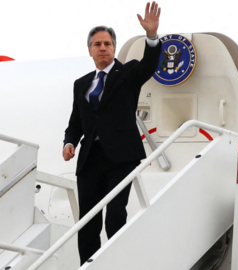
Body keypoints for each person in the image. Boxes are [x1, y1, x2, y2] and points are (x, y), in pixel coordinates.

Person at [62, 2, 162, 265]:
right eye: (97, 44)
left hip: (120, 157)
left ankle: (116, 263)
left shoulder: (127, 73)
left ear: (114, 48)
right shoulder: (81, 84)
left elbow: (149, 64)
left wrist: (151, 36)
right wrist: (70, 142)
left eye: (107, 43)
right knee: (87, 220)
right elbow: (76, 122)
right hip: (90, 159)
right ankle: (88, 265)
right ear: (90, 50)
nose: (103, 48)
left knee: (116, 214)